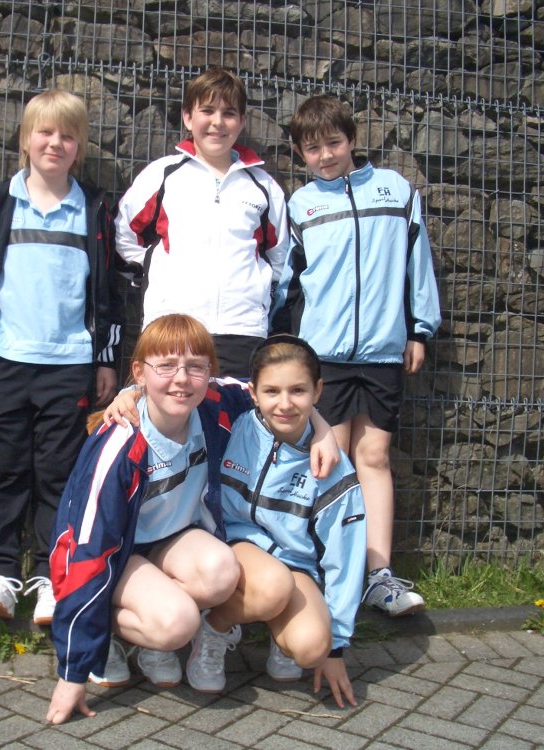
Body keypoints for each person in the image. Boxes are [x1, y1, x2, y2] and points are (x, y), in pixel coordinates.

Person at [46, 314, 339, 725]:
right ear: (139, 373)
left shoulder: (214, 405)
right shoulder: (121, 442)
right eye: (166, 366)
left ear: (209, 374)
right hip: (113, 557)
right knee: (177, 622)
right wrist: (73, 671)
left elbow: (271, 393)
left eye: (196, 367)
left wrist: (322, 429)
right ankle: (104, 638)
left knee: (221, 569)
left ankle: (153, 637)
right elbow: (89, 550)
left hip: (169, 544)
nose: (182, 379)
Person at [0, 89, 123, 625]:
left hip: (69, 366)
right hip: (3, 360)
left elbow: (108, 292)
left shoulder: (94, 209)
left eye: (68, 135)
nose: (55, 143)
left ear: (80, 147)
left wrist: (106, 360)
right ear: (25, 139)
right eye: (45, 132)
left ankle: (49, 575)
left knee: (57, 474)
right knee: (2, 468)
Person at [272, 95, 442, 617]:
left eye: (334, 143)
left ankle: (378, 576)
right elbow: (287, 283)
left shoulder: (396, 190)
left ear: (352, 140)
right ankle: (327, 574)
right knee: (330, 462)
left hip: (384, 352)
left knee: (374, 459)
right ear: (300, 153)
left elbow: (417, 263)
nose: (325, 155)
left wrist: (420, 329)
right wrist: (287, 347)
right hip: (325, 356)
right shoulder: (300, 205)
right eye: (312, 148)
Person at [187, 335, 365, 706]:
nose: (284, 404)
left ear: (317, 391)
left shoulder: (334, 468)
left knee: (313, 647)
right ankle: (214, 628)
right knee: (272, 587)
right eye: (272, 391)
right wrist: (132, 394)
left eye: (298, 391)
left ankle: (279, 632)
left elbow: (345, 559)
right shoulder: (233, 423)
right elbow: (183, 386)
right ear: (253, 393)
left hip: (295, 565)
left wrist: (336, 648)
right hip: (236, 545)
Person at [114, 66, 290, 378]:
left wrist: (257, 295)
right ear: (187, 117)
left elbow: (280, 258)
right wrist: (156, 272)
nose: (217, 122)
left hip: (242, 330)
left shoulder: (263, 186)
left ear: (242, 122)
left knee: (235, 411)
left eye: (229, 113)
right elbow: (125, 236)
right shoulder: (162, 175)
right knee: (172, 409)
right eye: (207, 111)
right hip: (171, 327)